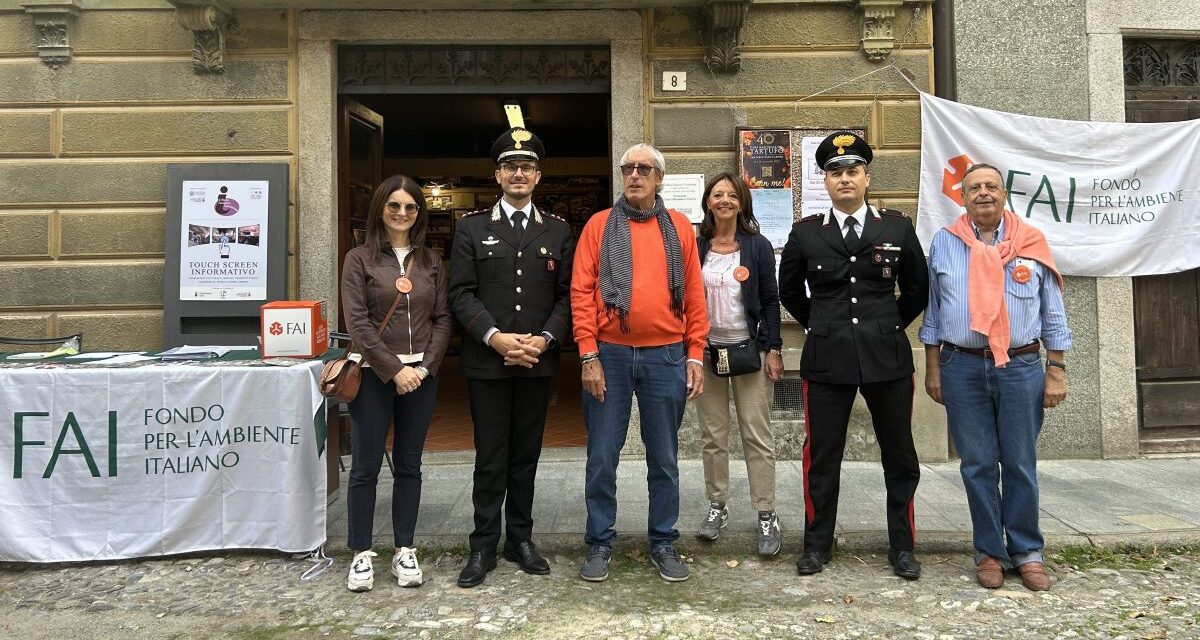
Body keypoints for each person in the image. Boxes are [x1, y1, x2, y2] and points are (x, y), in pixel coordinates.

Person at [778, 131, 929, 580]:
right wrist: (818, 326)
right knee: (822, 454)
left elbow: (918, 289)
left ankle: (902, 546)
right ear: (825, 181)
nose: (844, 178)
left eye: (853, 171)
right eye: (835, 172)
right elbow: (789, 291)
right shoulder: (806, 233)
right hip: (827, 359)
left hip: (887, 359)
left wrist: (889, 325)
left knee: (900, 454)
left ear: (866, 177)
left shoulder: (897, 227)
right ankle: (817, 545)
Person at [919, 163, 1070, 592]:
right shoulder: (945, 243)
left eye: (991, 186)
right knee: (978, 464)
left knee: (1019, 463)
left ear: (1004, 195)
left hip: (1021, 367)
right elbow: (935, 311)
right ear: (962, 198)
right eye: (974, 188)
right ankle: (989, 551)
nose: (983, 193)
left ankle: (1027, 551)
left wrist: (1055, 370)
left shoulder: (1031, 242)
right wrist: (933, 370)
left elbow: (1052, 312)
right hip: (961, 366)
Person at [571, 143, 709, 583]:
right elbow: (581, 293)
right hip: (607, 355)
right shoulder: (598, 226)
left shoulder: (681, 228)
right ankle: (599, 541)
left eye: (643, 169)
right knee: (602, 455)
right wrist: (588, 354)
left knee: (665, 458)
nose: (634, 175)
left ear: (659, 178)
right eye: (628, 168)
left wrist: (695, 353)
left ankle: (664, 541)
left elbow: (693, 296)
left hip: (667, 355)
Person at [448, 124, 574, 588]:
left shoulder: (558, 231)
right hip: (488, 362)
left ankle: (520, 539)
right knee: (490, 456)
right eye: (510, 166)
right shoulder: (472, 228)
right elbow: (459, 293)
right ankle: (482, 544)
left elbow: (568, 298)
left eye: (527, 166)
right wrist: (494, 337)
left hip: (537, 361)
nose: (518, 173)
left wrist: (543, 340)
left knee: (526, 455)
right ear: (497, 175)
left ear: (538, 176)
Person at [340, 174, 452, 591]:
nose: (402, 213)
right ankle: (361, 552)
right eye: (394, 206)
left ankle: (405, 548)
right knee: (365, 467)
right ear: (381, 210)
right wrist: (395, 368)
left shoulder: (431, 262)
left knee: (409, 465)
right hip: (372, 374)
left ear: (419, 213)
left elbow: (443, 319)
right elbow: (358, 322)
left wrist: (423, 369)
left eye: (410, 207)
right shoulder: (359, 259)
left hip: (421, 376)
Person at [693, 172, 784, 556]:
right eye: (718, 194)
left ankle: (766, 512)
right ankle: (717, 506)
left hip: (750, 353)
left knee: (756, 436)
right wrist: (690, 353)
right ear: (708, 202)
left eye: (732, 194)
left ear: (742, 202)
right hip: (708, 353)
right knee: (713, 437)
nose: (725, 200)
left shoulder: (757, 246)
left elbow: (769, 299)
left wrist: (774, 348)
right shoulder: (695, 247)